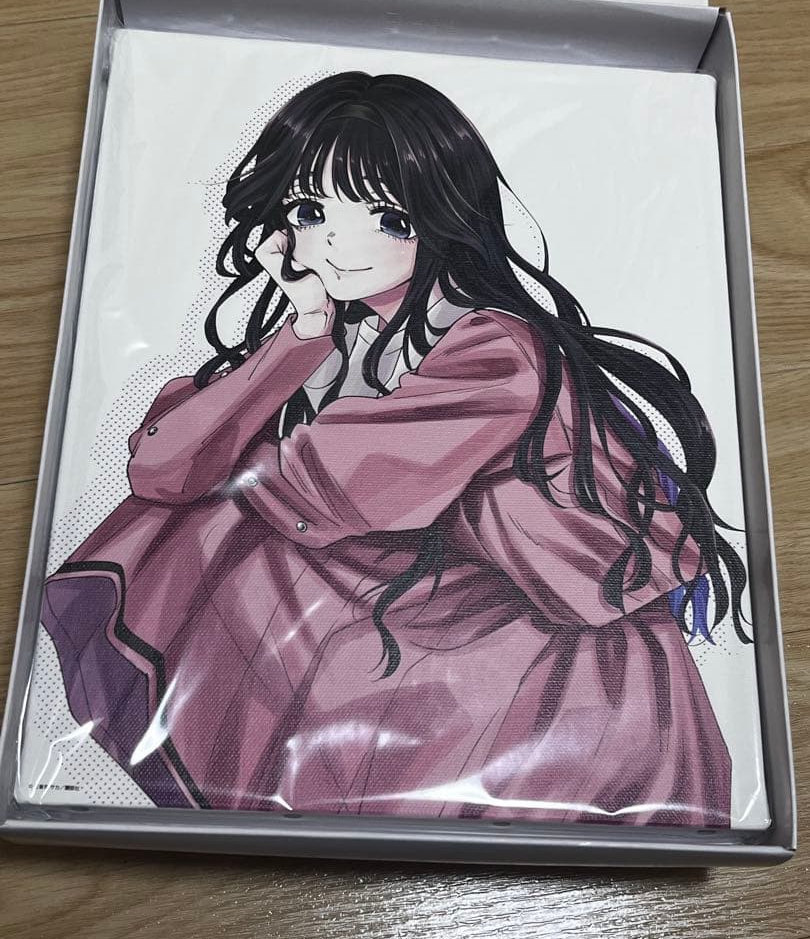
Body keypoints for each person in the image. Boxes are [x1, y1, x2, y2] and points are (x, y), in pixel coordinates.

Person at [41, 72, 749, 824]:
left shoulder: (494, 348)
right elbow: (160, 469)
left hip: (557, 665)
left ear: (440, 219)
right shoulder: (340, 330)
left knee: (224, 525)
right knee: (191, 521)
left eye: (386, 217)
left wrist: (233, 456)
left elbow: (321, 490)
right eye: (311, 212)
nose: (337, 244)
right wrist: (300, 333)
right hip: (439, 605)